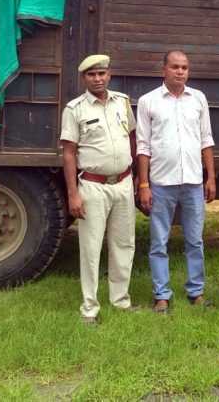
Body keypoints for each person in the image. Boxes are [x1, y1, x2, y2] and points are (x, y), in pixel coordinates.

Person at [136, 50, 216, 313]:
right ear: (164, 69)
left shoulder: (198, 99)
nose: (180, 71)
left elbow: (206, 140)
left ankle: (196, 291)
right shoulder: (149, 102)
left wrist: (210, 177)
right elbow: (143, 146)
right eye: (175, 67)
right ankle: (162, 295)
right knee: (159, 242)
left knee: (195, 240)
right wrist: (144, 184)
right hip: (161, 183)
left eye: (184, 67)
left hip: (193, 182)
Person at [60, 54, 137, 324]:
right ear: (84, 78)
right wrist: (73, 194)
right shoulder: (75, 109)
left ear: (109, 75)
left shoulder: (123, 102)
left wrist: (137, 177)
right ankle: (90, 308)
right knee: (91, 248)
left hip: (124, 183)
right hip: (93, 186)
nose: (98, 78)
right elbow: (69, 154)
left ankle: (120, 300)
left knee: (124, 244)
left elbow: (132, 138)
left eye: (102, 73)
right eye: (92, 74)